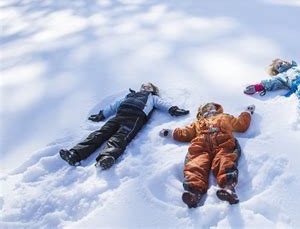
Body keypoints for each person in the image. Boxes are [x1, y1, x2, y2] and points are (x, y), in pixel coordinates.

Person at [59, 82, 189, 169]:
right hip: (119, 116)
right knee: (99, 134)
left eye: (148, 87)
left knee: (120, 137)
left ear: (153, 90)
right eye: (143, 87)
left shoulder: (152, 97)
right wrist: (102, 114)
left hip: (135, 118)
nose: (145, 88)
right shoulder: (130, 95)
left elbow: (162, 103)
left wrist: (173, 109)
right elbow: (114, 105)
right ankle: (75, 154)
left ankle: (107, 157)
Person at [160, 103, 254, 208]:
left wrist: (247, 112)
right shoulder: (198, 123)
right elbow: (185, 133)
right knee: (195, 164)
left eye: (212, 107)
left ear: (217, 109)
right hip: (201, 146)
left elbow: (241, 125)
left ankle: (229, 188)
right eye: (206, 108)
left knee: (225, 160)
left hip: (223, 142)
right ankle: (194, 193)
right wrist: (170, 132)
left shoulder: (225, 117)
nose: (209, 109)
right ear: (202, 112)